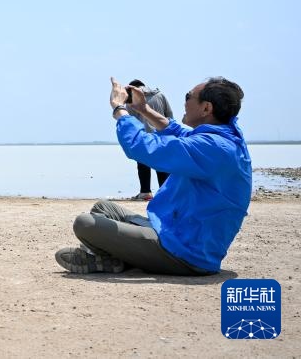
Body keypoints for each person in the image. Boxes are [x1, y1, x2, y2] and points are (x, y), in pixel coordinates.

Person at [55, 76, 251, 275]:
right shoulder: (224, 138)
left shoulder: (213, 148)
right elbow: (177, 132)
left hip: (185, 253)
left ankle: (113, 261)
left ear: (206, 108)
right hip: (174, 232)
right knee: (103, 208)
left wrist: (120, 110)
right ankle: (120, 258)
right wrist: (143, 109)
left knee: (85, 224)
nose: (184, 102)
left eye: (188, 96)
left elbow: (140, 146)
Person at [125, 79, 174, 201]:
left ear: (133, 88)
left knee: (142, 164)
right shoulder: (159, 95)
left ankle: (145, 192)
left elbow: (131, 121)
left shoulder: (131, 99)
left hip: (143, 135)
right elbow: (169, 114)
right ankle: (164, 193)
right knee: (161, 165)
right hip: (161, 134)